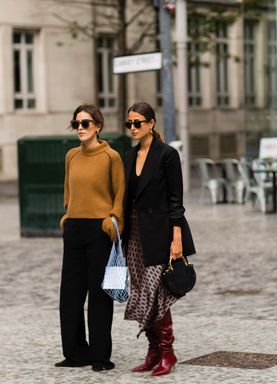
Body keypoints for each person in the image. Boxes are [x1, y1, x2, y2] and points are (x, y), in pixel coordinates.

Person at [122, 102, 196, 377]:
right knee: (142, 291)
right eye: (129, 123)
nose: (133, 127)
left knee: (157, 290)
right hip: (135, 235)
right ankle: (153, 351)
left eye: (138, 122)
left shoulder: (167, 155)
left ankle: (168, 352)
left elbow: (176, 200)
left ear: (151, 123)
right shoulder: (128, 156)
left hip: (161, 233)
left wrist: (176, 238)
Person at [55, 104, 125, 372]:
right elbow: (67, 192)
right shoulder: (71, 156)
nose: (80, 129)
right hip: (74, 229)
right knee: (70, 294)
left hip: (100, 231)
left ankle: (99, 357)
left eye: (85, 123)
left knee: (99, 295)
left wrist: (112, 220)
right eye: (77, 124)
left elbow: (119, 195)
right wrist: (67, 216)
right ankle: (75, 353)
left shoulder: (111, 157)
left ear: (98, 126)